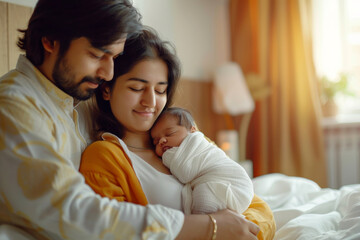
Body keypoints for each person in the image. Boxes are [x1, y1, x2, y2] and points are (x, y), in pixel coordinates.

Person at [79, 26, 276, 240]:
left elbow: (254, 204)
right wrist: (214, 228)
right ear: (107, 89)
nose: (151, 103)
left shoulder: (185, 137)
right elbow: (114, 231)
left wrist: (245, 232)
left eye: (160, 90)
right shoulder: (104, 157)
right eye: (136, 88)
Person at [150, 107, 254, 215]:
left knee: (203, 197)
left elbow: (185, 173)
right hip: (224, 185)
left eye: (169, 134)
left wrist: (166, 156)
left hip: (233, 183)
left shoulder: (196, 143)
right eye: (156, 142)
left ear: (192, 130)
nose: (162, 141)